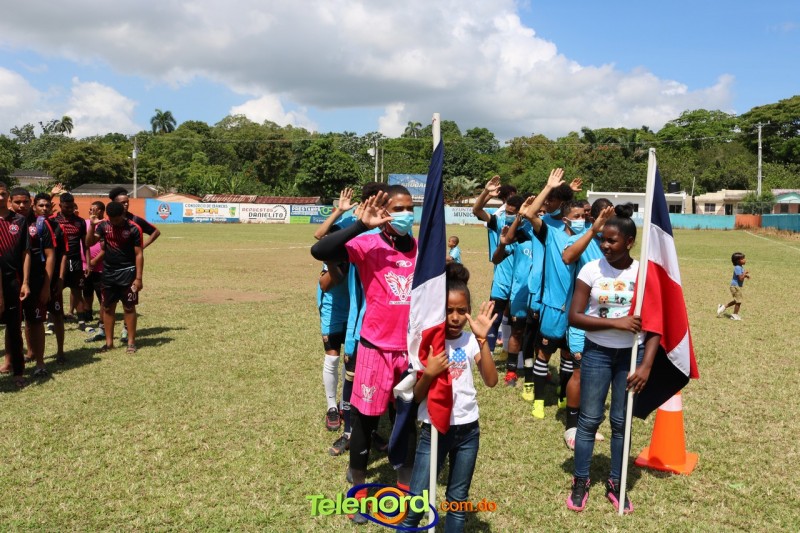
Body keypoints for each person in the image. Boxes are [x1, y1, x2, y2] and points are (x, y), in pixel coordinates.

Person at [310, 186, 417, 524]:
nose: (406, 214)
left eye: (410, 208)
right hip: (374, 350)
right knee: (364, 423)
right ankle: (357, 495)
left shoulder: (420, 248)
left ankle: (404, 492)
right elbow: (319, 249)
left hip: (409, 352)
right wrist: (359, 225)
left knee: (406, 422)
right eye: (398, 209)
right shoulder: (368, 243)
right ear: (385, 212)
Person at [566, 203, 661, 514]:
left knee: (621, 422)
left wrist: (646, 365)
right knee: (590, 419)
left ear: (629, 242)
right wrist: (616, 323)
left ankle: (616, 483)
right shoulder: (591, 270)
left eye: (612, 241)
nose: (604, 245)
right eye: (602, 240)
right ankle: (580, 480)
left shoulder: (643, 273)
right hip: (597, 353)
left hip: (631, 356)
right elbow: (575, 316)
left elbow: (656, 324)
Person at [401, 263, 498, 532]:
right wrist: (430, 373)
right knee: (417, 501)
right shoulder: (430, 344)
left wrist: (483, 340)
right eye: (448, 310)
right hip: (434, 429)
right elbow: (416, 396)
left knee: (457, 501)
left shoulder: (470, 341)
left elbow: (491, 380)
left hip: (468, 431)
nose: (455, 317)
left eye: (461, 310)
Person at [87, 201, 143, 353]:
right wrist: (92, 226)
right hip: (108, 273)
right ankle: (109, 343)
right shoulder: (103, 226)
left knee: (129, 307)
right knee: (107, 307)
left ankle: (131, 342)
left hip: (128, 273)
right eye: (111, 219)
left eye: (116, 219)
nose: (113, 222)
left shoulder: (133, 228)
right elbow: (89, 242)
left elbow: (139, 254)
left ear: (122, 215)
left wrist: (138, 278)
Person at [108, 187, 160, 343]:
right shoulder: (109, 220)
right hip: (111, 268)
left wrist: (143, 246)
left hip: (129, 268)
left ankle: (126, 329)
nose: (125, 205)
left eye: (127, 202)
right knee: (108, 303)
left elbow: (155, 232)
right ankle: (104, 331)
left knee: (128, 302)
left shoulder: (135, 220)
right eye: (122, 203)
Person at [491, 196, 532, 387]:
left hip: (541, 295)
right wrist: (502, 243)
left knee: (535, 335)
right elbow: (497, 258)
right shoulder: (519, 237)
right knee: (517, 331)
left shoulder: (546, 237)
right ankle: (511, 372)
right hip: (519, 294)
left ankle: (535, 371)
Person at [0, 182, 30, 388]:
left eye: (3, 194)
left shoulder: (19, 221)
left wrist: (25, 282)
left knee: (14, 327)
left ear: (8, 196)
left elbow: (26, 253)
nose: (0, 197)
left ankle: (18, 371)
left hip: (13, 281)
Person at [52, 193, 91, 332]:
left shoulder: (80, 222)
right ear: (60, 205)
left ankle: (81, 323)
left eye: (72, 207)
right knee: (55, 291)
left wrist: (88, 263)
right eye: (66, 207)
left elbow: (85, 244)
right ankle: (52, 321)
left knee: (77, 291)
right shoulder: (53, 220)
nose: (70, 210)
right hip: (58, 262)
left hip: (75, 261)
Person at [84, 201, 107, 342]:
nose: (91, 211)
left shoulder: (106, 224)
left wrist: (95, 260)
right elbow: (86, 244)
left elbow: (106, 246)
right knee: (87, 291)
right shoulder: (86, 223)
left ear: (101, 211)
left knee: (102, 294)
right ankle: (88, 313)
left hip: (101, 266)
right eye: (90, 209)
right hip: (86, 265)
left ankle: (102, 320)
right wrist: (88, 262)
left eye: (94, 209)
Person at [717, 252, 749, 320]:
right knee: (738, 301)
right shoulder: (737, 268)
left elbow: (740, 276)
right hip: (735, 286)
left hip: (737, 286)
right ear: (738, 261)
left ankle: (723, 307)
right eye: (742, 259)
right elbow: (740, 278)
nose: (745, 260)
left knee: (736, 300)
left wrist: (745, 276)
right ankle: (734, 315)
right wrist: (744, 273)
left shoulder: (740, 267)